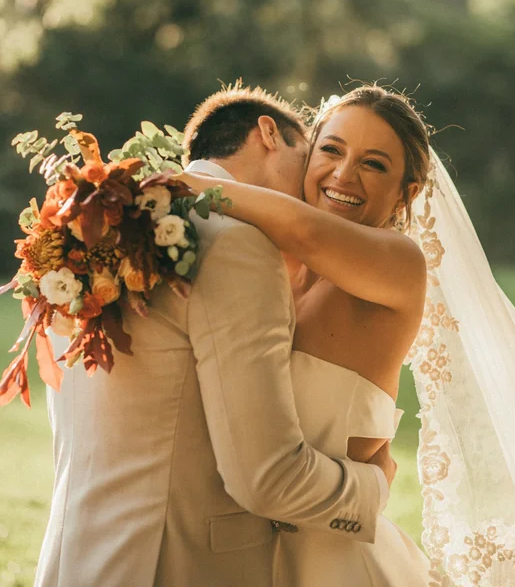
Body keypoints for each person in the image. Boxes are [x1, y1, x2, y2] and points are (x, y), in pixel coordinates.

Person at [35, 86, 396, 587]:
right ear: (270, 133)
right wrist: (371, 487)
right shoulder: (234, 245)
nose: (320, 180)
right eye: (312, 151)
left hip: (73, 559)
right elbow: (265, 479)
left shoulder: (90, 229)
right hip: (175, 566)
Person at [179, 85, 433, 586]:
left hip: (334, 563)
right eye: (332, 150)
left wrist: (187, 183)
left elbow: (308, 231)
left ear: (406, 193)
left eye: (374, 164)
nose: (343, 175)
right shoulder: (266, 263)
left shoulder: (401, 263)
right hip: (236, 556)